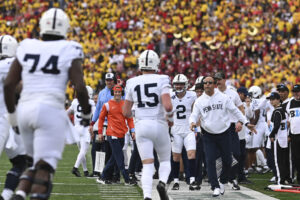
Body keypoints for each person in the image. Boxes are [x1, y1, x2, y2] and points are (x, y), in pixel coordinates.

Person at [4, 8, 91, 200]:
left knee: (33, 164)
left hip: (25, 110)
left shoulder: (26, 45)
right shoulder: (70, 48)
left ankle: (18, 194)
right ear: (65, 28)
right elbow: (80, 87)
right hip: (50, 109)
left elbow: (9, 84)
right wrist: (86, 113)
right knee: (45, 169)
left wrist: (12, 117)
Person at [189, 76, 255, 197]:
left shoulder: (223, 98)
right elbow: (194, 114)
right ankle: (215, 186)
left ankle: (223, 181)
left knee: (228, 160)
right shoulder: (199, 101)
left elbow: (235, 111)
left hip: (224, 132)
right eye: (205, 83)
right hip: (208, 134)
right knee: (209, 160)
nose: (207, 85)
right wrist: (192, 122)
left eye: (210, 83)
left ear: (214, 85)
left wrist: (245, 122)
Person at [123, 50, 173, 200]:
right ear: (156, 64)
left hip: (141, 126)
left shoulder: (132, 82)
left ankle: (146, 195)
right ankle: (162, 182)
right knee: (164, 160)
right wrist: (170, 118)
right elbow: (168, 106)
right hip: (159, 124)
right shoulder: (162, 79)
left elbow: (125, 112)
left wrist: (138, 113)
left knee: (147, 164)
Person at [0, 35, 28, 200]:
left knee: (21, 161)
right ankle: (7, 194)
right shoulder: (11, 64)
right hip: (8, 121)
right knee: (21, 162)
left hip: (7, 122)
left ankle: (6, 195)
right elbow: (20, 87)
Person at [96, 85, 136, 185]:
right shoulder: (107, 105)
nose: (117, 94)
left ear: (121, 93)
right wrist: (100, 132)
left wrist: (133, 130)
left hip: (122, 134)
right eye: (116, 92)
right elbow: (101, 119)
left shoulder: (125, 105)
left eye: (119, 92)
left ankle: (102, 177)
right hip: (112, 134)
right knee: (120, 158)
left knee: (114, 157)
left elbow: (130, 119)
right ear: (113, 93)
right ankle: (127, 179)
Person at [214, 72, 244, 190]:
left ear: (224, 80)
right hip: (218, 126)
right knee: (219, 155)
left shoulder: (233, 93)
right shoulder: (213, 94)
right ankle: (222, 178)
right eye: (216, 80)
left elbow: (241, 108)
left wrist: (240, 121)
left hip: (231, 126)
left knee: (236, 153)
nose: (217, 82)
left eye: (219, 79)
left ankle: (231, 177)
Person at [169, 74, 197, 191]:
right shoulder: (169, 96)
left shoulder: (192, 95)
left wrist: (196, 128)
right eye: (177, 84)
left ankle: (192, 180)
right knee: (176, 157)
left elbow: (197, 111)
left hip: (189, 129)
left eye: (181, 84)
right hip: (176, 130)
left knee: (191, 154)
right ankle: (176, 181)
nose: (179, 86)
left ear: (186, 85)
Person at [89, 72, 115, 178]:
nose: (109, 82)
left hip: (113, 124)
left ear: (114, 80)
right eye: (107, 80)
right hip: (101, 124)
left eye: (111, 80)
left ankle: (109, 172)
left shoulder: (118, 92)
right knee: (96, 148)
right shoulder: (102, 93)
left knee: (108, 149)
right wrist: (92, 122)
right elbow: (98, 109)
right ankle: (97, 171)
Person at [67, 86, 96, 177]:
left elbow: (69, 112)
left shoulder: (75, 102)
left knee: (81, 151)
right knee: (83, 150)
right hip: (85, 128)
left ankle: (85, 170)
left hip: (76, 128)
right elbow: (95, 115)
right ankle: (75, 168)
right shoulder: (91, 102)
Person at [268, 92, 292, 185]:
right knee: (284, 160)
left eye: (273, 99)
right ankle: (287, 178)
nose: (271, 101)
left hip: (278, 139)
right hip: (284, 139)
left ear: (278, 100)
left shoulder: (277, 111)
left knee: (278, 161)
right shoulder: (284, 110)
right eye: (270, 99)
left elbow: (277, 125)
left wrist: (271, 135)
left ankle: (280, 180)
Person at [286, 84, 300, 184]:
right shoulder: (290, 102)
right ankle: (298, 177)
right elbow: (287, 120)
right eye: (294, 91)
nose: (296, 93)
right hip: (294, 134)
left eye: (298, 91)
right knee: (295, 157)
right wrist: (288, 134)